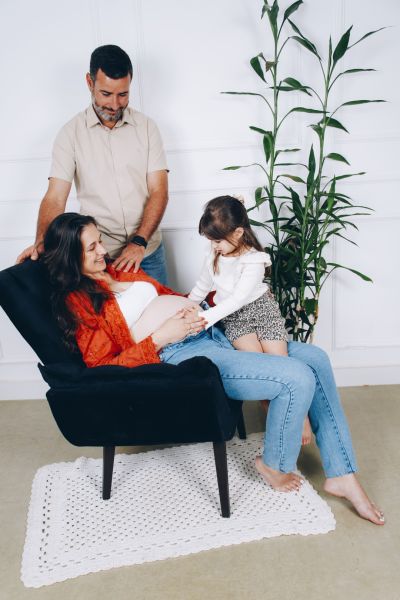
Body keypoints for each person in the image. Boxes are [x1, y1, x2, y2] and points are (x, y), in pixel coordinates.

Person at [42, 212, 385, 525]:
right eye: (92, 247)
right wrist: (161, 337)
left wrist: (224, 300)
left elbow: (174, 296)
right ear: (70, 256)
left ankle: (342, 475)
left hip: (214, 331)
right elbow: (103, 367)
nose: (103, 250)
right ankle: (274, 465)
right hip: (185, 355)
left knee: (316, 358)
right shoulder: (78, 302)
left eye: (100, 240)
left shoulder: (118, 270)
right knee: (296, 377)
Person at [17, 44, 169, 284]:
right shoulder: (69, 134)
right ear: (90, 82)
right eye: (106, 94)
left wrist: (139, 242)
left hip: (147, 251)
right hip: (99, 257)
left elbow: (159, 190)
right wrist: (42, 242)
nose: (115, 105)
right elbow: (55, 198)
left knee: (165, 306)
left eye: (123, 94)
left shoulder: (148, 128)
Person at [189, 195, 312, 444]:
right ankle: (280, 428)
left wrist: (204, 317)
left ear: (238, 233)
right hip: (235, 318)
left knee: (282, 365)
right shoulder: (213, 256)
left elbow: (238, 298)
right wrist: (188, 305)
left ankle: (302, 419)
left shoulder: (254, 260)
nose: (213, 246)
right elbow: (202, 286)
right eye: (211, 240)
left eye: (217, 240)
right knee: (261, 373)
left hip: (261, 310)